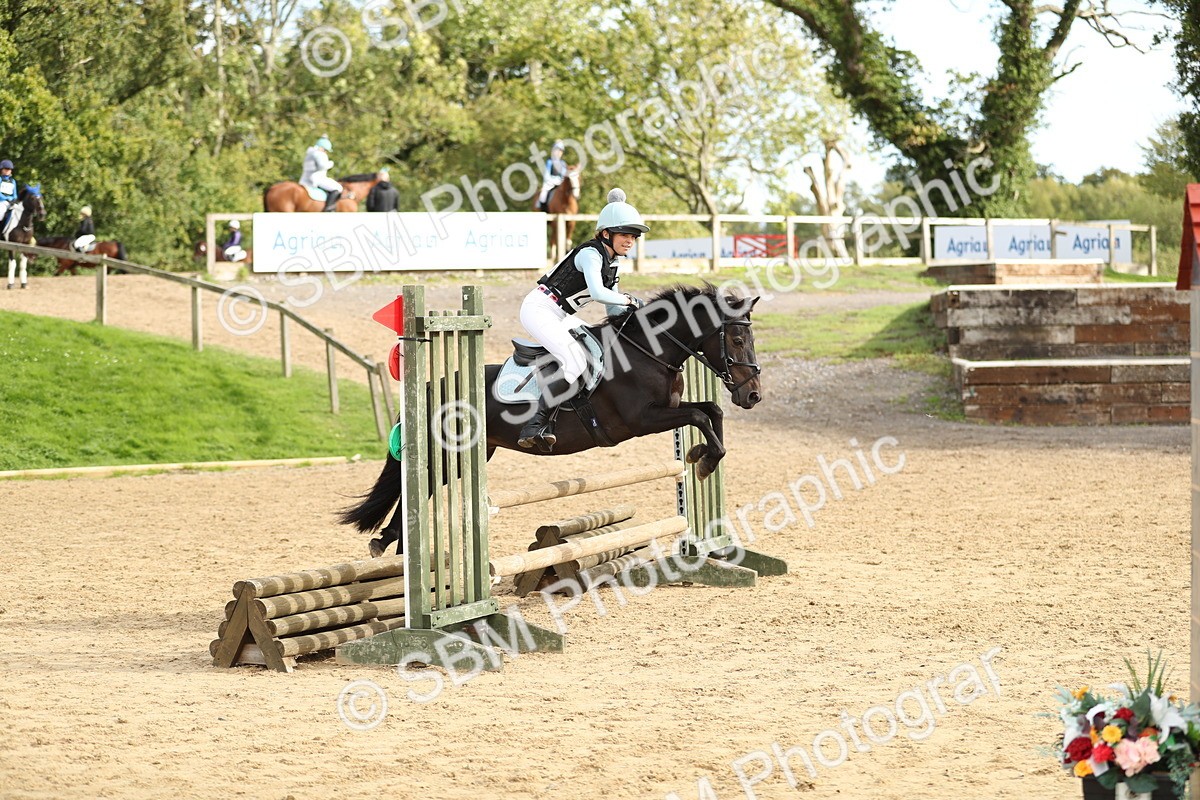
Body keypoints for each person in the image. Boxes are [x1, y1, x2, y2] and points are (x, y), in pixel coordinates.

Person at [517, 187, 647, 452]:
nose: (630, 240)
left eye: (633, 236)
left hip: (560, 314)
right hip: (538, 309)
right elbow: (600, 294)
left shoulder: (613, 263)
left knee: (597, 348)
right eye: (625, 234)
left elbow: (612, 309)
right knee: (575, 359)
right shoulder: (590, 254)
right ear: (605, 234)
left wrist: (636, 319)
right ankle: (535, 423)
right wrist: (630, 300)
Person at [299, 136, 342, 212]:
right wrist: (331, 163)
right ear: (322, 148)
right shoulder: (319, 153)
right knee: (338, 188)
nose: (326, 152)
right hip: (317, 178)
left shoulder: (309, 153)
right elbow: (322, 166)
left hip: (305, 179)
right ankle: (329, 207)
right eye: (326, 150)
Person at [536, 141, 568, 211]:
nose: (559, 152)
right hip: (550, 183)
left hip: (560, 183)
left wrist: (561, 181)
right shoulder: (549, 162)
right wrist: (553, 181)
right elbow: (546, 174)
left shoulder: (563, 163)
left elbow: (564, 174)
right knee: (543, 196)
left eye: (560, 151)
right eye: (557, 150)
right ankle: (543, 210)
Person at [0, 160, 18, 238]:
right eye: (6, 169)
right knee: (1, 212)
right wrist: (6, 198)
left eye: (9, 169)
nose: (8, 171)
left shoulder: (13, 181)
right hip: (1, 201)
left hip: (11, 202)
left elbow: (15, 194)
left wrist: (13, 199)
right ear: (2, 169)